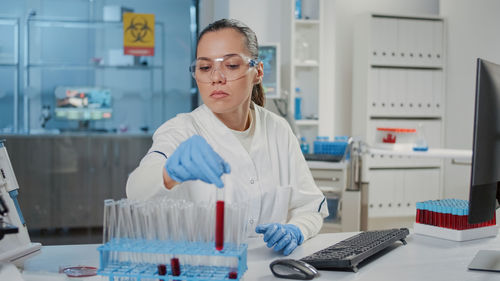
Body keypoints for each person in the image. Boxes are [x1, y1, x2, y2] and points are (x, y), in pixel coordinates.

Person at [126, 18, 328, 256]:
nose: (216, 77)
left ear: (258, 72)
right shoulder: (180, 130)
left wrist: (296, 229)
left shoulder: (278, 129)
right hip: (202, 271)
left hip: (268, 270)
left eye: (231, 65)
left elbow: (309, 207)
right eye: (205, 67)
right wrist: (167, 173)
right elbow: (135, 191)